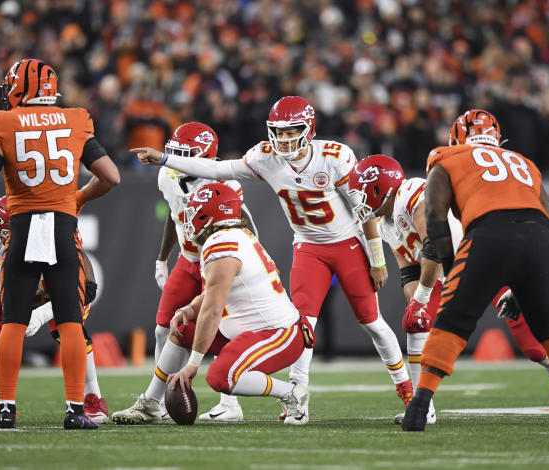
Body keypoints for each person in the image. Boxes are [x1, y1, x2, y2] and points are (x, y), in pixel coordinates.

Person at [133, 96, 412, 423]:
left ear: (308, 129)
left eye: (291, 131)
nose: (283, 139)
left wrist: (376, 257)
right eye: (277, 133)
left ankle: (410, 395)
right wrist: (166, 158)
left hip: (346, 243)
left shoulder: (335, 157)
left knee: (373, 323)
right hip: (307, 246)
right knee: (305, 325)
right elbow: (217, 167)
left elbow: (364, 206)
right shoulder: (266, 158)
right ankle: (298, 400)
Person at [0, 58, 120, 430]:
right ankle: (76, 410)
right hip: (62, 226)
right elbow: (111, 176)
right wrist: (75, 199)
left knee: (12, 322)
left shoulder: (3, 122)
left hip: (24, 226)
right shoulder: (76, 117)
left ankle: (7, 410)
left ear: (20, 88)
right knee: (71, 323)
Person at [349, 154, 549, 425]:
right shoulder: (386, 223)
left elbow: (433, 246)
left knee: (536, 344)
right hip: (455, 268)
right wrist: (417, 304)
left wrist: (422, 297)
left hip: (484, 256)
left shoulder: (410, 193)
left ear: (381, 187)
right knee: (417, 324)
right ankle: (422, 407)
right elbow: (409, 271)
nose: (360, 200)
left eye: (363, 192)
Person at [401, 109, 549, 431]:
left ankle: (419, 408)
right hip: (538, 239)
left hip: (489, 233)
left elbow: (436, 218)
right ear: (497, 139)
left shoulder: (446, 157)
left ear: (456, 139)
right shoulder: (524, 164)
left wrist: (451, 270)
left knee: (451, 321)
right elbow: (546, 217)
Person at [115, 183, 315, 425]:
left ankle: (292, 393)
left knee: (221, 377)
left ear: (211, 214)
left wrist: (193, 364)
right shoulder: (231, 236)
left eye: (195, 212)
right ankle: (151, 404)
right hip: (250, 330)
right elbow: (212, 295)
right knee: (182, 329)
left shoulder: (222, 244)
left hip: (277, 334)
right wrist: (189, 310)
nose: (189, 219)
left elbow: (212, 310)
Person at [113, 122, 251, 424]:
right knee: (164, 328)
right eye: (173, 150)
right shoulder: (168, 174)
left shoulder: (225, 182)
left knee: (221, 329)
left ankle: (230, 403)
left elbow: (246, 226)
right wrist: (162, 258)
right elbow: (175, 215)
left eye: (184, 153)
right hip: (189, 258)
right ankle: (159, 402)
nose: (175, 157)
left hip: (216, 260)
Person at [0, 196, 108, 425]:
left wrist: (42, 314)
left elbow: (88, 289)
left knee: (68, 329)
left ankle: (92, 396)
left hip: (56, 299)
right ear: (4, 233)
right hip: (14, 302)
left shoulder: (57, 237)